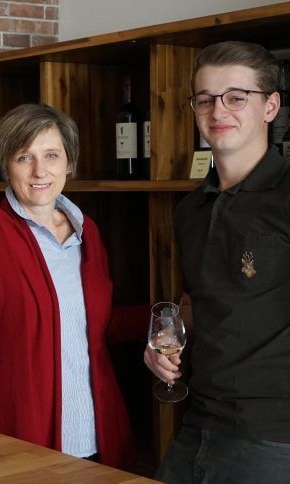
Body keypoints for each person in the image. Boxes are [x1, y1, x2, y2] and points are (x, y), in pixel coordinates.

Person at [0, 103, 137, 469]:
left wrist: (169, 315)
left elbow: (95, 323)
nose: (39, 171)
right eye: (23, 157)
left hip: (96, 429)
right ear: (6, 166)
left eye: (51, 155)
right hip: (20, 428)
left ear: (69, 163)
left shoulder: (87, 232)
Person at [144, 41, 290, 483]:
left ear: (271, 107)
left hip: (272, 438)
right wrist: (163, 348)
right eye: (205, 99)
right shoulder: (191, 209)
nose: (218, 110)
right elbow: (199, 302)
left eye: (236, 97)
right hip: (198, 424)